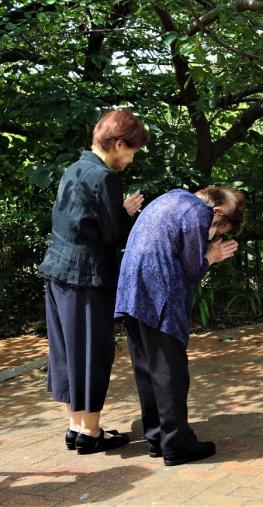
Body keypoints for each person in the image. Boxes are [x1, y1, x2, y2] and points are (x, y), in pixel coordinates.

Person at [38, 109, 147, 454]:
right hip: (86, 277)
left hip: (58, 271)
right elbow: (113, 235)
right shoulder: (104, 177)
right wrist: (125, 212)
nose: (131, 159)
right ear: (117, 144)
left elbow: (79, 222)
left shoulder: (74, 168)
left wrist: (115, 211)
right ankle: (91, 433)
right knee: (91, 350)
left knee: (68, 350)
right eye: (131, 151)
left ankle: (77, 425)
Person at [114, 186, 244, 466]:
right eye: (221, 230)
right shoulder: (198, 212)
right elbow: (192, 269)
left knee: (147, 369)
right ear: (218, 212)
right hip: (159, 295)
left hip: (130, 291)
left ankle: (157, 438)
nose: (216, 235)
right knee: (169, 371)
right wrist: (211, 255)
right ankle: (177, 445)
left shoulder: (171, 197)